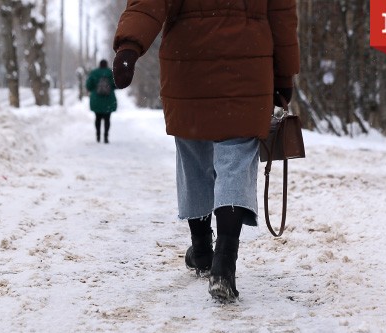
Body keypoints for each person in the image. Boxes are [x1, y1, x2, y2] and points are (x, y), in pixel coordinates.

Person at [112, 1, 300, 301]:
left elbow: (150, 3)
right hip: (247, 66)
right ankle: (224, 264)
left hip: (189, 65)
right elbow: (281, 15)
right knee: (236, 159)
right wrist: (285, 75)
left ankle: (201, 250)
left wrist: (130, 46)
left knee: (193, 155)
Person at [86, 59, 117, 143]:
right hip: (109, 100)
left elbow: (88, 86)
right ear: (106, 65)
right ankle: (106, 136)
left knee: (97, 118)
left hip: (96, 100)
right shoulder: (111, 73)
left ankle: (98, 135)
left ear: (99, 65)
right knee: (107, 119)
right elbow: (116, 85)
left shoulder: (94, 72)